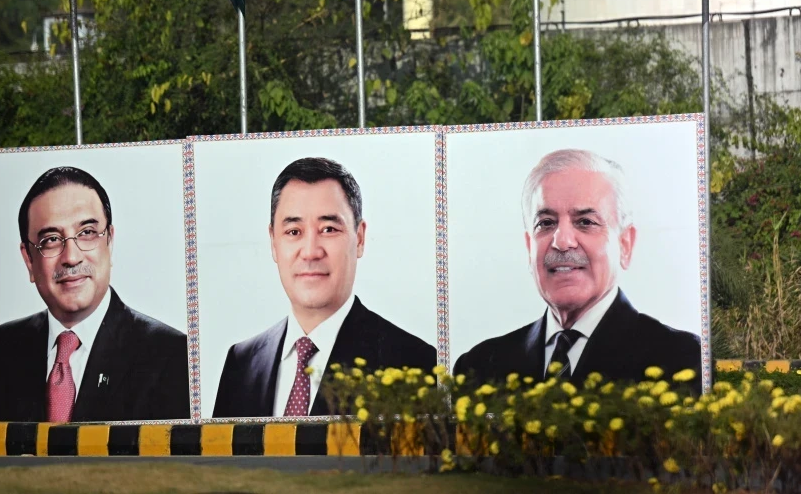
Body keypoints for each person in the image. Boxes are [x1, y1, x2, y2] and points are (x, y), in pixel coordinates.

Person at [454, 149, 701, 391]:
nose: (562, 241)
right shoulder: (479, 368)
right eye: (546, 223)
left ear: (625, 245)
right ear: (529, 247)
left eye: (585, 222)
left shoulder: (684, 361)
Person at [212, 157, 437, 418]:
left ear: (359, 238)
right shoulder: (241, 362)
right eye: (294, 232)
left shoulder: (415, 363)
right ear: (273, 242)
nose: (310, 252)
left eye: (328, 229)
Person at [0, 166, 189, 422]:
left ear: (109, 242)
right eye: (51, 239)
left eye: (87, 233)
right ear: (29, 260)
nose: (71, 257)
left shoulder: (170, 354)